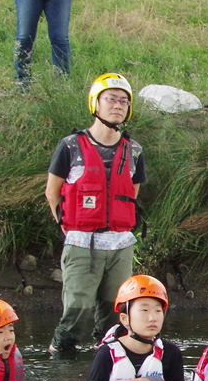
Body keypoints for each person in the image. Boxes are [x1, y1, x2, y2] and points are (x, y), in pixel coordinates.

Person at [46, 74, 146, 356]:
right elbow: (52, 192)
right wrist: (67, 226)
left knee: (117, 317)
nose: (118, 105)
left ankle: (106, 369)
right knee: (77, 311)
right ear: (96, 103)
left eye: (124, 101)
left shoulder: (134, 150)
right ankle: (60, 361)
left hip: (120, 245)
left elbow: (131, 193)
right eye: (111, 99)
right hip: (81, 242)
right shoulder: (70, 146)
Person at [84, 275, 181, 381]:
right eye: (144, 310)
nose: (153, 318)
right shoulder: (106, 353)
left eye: (158, 311)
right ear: (125, 319)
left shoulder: (171, 352)